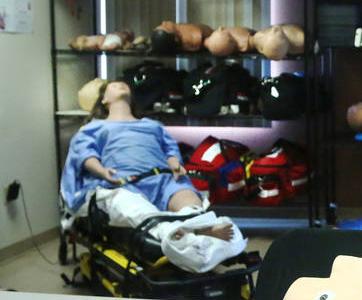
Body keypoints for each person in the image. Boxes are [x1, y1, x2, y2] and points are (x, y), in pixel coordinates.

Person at [60, 81, 241, 271]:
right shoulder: (93, 128)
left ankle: (197, 225)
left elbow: (170, 147)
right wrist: (101, 171)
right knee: (128, 203)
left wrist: (173, 160)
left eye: (123, 84)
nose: (120, 85)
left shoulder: (152, 126)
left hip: (162, 180)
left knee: (186, 194)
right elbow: (84, 154)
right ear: (104, 99)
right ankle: (177, 233)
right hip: (120, 183)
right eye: (113, 86)